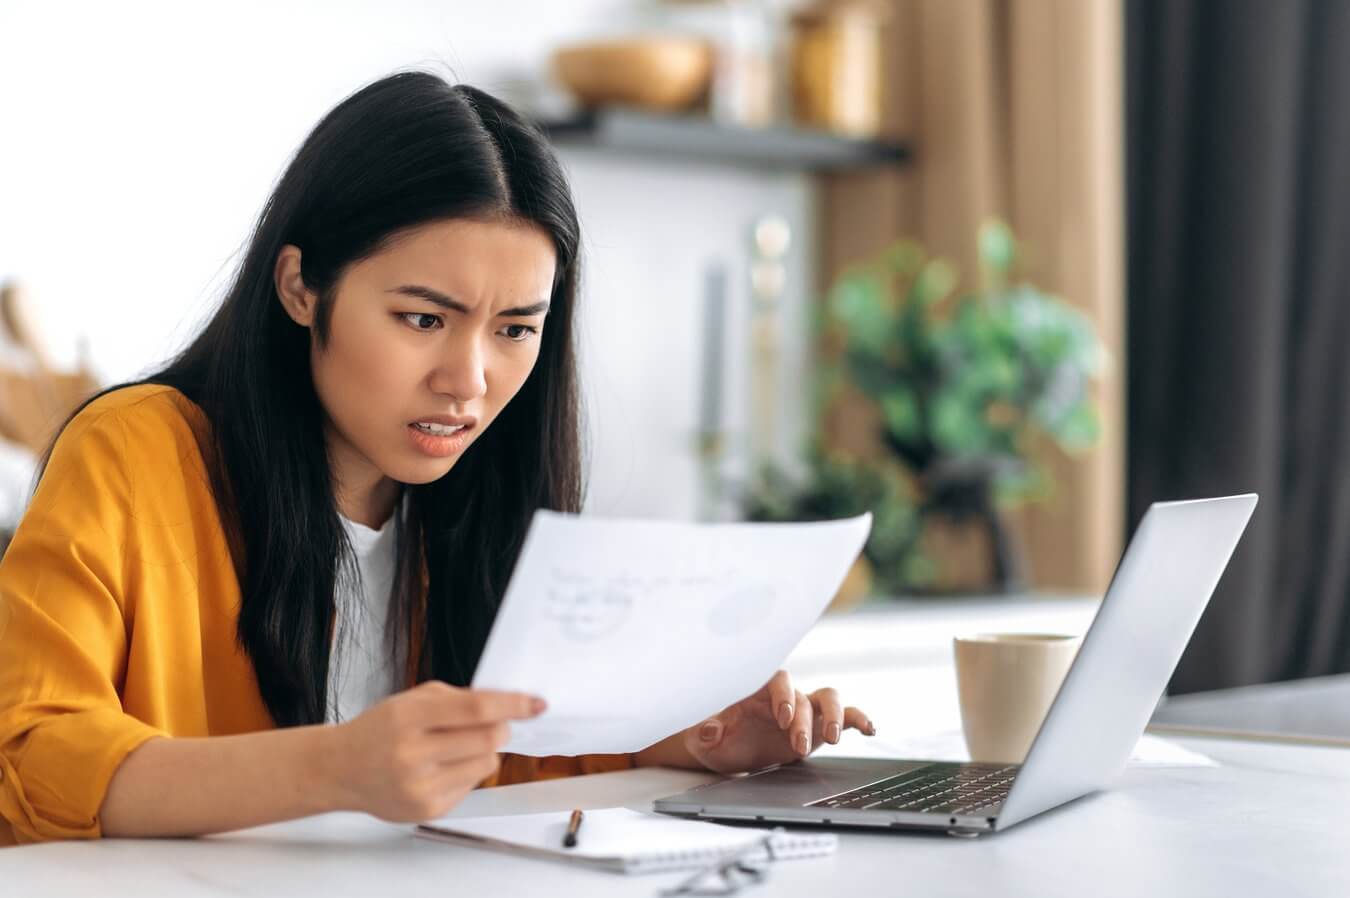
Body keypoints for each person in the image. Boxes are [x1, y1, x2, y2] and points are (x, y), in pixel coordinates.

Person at [0, 71, 874, 846]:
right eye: (424, 319)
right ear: (302, 287)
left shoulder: (479, 498)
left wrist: (691, 739)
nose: (469, 381)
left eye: (515, 330)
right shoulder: (137, 451)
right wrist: (335, 767)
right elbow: (30, 755)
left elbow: (503, 769)